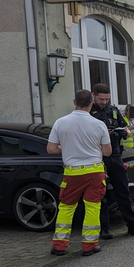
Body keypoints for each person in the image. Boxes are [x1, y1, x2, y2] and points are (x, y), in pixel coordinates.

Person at [47, 89, 111, 256]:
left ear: (74, 102)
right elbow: (108, 152)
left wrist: (66, 147)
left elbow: (51, 149)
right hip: (95, 172)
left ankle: (59, 246)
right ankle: (89, 246)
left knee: (66, 208)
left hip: (72, 173)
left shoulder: (60, 122)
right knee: (92, 208)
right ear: (91, 104)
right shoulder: (99, 124)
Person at [90, 84, 134, 238]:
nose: (104, 102)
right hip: (97, 156)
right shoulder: (89, 112)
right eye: (101, 99)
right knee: (100, 195)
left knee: (123, 191)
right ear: (93, 96)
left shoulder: (113, 110)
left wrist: (124, 132)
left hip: (115, 155)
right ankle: (104, 229)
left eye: (107, 99)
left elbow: (126, 128)